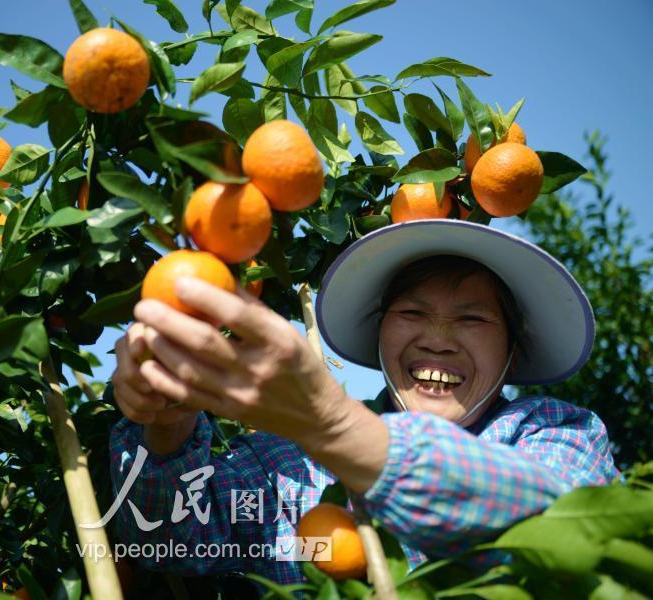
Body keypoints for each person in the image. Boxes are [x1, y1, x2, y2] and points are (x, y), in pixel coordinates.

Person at [107, 219, 619, 585]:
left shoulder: (556, 431)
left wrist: (335, 426)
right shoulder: (288, 463)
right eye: (412, 312)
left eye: (472, 319)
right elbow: (175, 539)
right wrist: (169, 425)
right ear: (380, 333)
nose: (437, 339)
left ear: (513, 348)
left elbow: (555, 523)